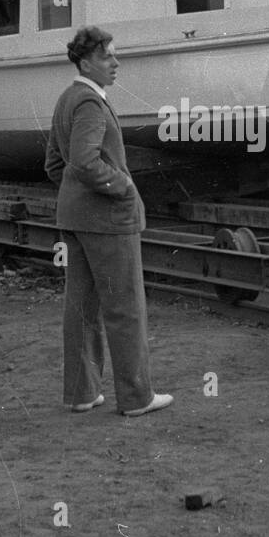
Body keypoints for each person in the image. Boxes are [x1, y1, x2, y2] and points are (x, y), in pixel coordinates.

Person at [44, 27, 172, 417]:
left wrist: (77, 195)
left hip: (76, 220)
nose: (116, 63)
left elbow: (55, 164)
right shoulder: (89, 103)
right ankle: (137, 398)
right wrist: (122, 186)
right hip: (109, 221)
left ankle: (82, 393)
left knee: (81, 307)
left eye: (115, 55)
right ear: (87, 63)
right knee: (125, 307)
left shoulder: (68, 98)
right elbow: (84, 161)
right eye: (107, 57)